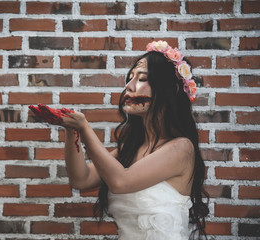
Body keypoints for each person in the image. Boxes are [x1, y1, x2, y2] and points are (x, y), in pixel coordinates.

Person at [29, 40, 209, 240]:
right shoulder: (129, 150)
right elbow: (81, 179)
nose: (129, 86)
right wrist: (72, 130)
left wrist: (85, 127)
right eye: (130, 78)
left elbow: (120, 181)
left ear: (172, 89)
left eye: (142, 79)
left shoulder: (182, 148)